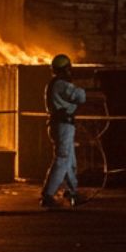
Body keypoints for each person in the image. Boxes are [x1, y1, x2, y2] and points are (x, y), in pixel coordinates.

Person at [41, 54, 86, 208]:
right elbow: (80, 96)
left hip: (62, 125)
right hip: (63, 125)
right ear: (65, 69)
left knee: (69, 161)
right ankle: (48, 194)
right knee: (62, 160)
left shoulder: (54, 83)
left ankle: (71, 191)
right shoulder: (61, 84)